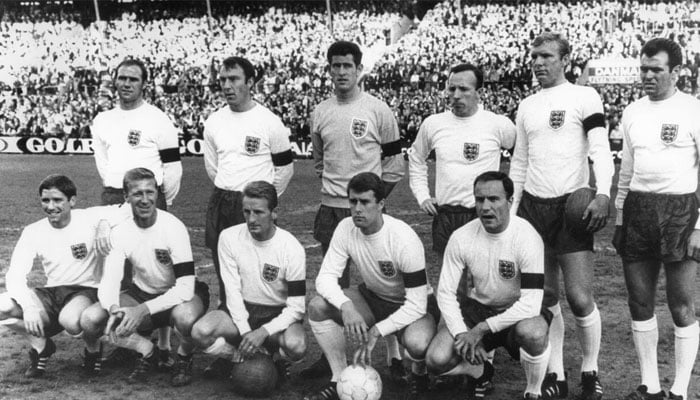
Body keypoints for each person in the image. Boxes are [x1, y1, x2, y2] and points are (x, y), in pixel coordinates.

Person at [510, 32, 614, 400]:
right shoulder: (526, 105)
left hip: (571, 207)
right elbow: (519, 163)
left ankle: (590, 369)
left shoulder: (584, 97)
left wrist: (602, 193)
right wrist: (511, 212)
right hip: (532, 208)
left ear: (565, 60)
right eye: (534, 56)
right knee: (547, 294)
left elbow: (600, 149)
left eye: (546, 56)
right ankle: (557, 374)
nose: (538, 62)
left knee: (580, 296)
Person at [304, 39, 406, 381]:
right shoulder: (320, 111)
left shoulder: (378, 110)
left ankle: (393, 350)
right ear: (329, 70)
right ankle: (331, 355)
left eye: (348, 65)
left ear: (359, 69)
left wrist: (373, 198)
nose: (342, 71)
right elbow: (319, 160)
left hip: (369, 213)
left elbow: (394, 163)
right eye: (336, 66)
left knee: (382, 282)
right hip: (331, 209)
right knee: (334, 285)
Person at [614, 37, 700, 400]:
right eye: (643, 69)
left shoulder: (693, 109)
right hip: (638, 209)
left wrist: (699, 227)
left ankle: (679, 390)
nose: (648, 76)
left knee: (681, 304)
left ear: (676, 72)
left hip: (681, 212)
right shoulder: (633, 111)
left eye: (656, 70)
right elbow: (627, 169)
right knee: (639, 302)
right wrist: (620, 216)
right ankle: (649, 385)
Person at [304, 172, 437, 400]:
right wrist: (346, 306)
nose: (357, 208)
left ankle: (419, 373)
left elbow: (416, 304)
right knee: (317, 306)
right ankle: (338, 378)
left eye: (364, 202)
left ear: (381, 204)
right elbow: (325, 278)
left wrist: (377, 330)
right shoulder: (346, 227)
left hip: (413, 306)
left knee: (417, 343)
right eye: (353, 201)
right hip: (373, 297)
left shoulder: (404, 239)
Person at [79, 168, 209, 387]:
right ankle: (144, 348)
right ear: (126, 196)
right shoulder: (121, 232)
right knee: (90, 319)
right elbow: (110, 280)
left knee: (186, 318)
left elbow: (185, 287)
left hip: (180, 295)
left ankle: (184, 357)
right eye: (138, 193)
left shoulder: (173, 227)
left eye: (150, 192)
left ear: (157, 194)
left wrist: (141, 311)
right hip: (142, 293)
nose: (145, 199)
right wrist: (113, 308)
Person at [426, 171, 550, 400]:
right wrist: (462, 333)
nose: (485, 207)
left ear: (510, 201)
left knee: (533, 333)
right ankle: (479, 370)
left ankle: (533, 390)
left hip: (517, 313)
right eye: (479, 199)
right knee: (436, 360)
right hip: (479, 309)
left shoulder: (527, 237)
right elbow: (445, 293)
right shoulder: (461, 236)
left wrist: (481, 329)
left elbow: (531, 304)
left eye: (494, 199)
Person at [91, 58, 181, 365]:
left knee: (158, 270)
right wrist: (116, 191)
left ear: (144, 84)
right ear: (114, 81)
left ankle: (165, 344)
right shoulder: (102, 120)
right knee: (117, 268)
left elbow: (172, 168)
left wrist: (159, 200)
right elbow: (102, 162)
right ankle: (125, 336)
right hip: (114, 195)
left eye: (133, 79)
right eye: (121, 78)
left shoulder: (158, 119)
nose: (126, 83)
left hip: (148, 196)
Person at [0, 175, 126, 377]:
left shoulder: (88, 218)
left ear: (72, 201)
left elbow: (127, 209)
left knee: (71, 322)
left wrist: (104, 223)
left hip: (85, 290)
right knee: (2, 306)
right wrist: (29, 307)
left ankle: (92, 350)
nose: (51, 206)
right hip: (52, 293)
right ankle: (42, 346)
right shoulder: (33, 231)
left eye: (57, 200)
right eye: (45, 200)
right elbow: (15, 275)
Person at [203, 56, 294, 312]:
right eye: (222, 80)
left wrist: (263, 200)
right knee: (224, 267)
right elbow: (212, 167)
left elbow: (285, 169)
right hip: (222, 200)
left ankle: (265, 323)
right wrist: (229, 188)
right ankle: (227, 319)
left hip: (254, 204)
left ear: (250, 82)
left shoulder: (270, 122)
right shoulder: (213, 122)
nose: (227, 86)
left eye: (234, 79)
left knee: (257, 268)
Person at [191, 181, 306, 381]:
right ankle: (235, 358)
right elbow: (232, 292)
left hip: (276, 314)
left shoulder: (292, 248)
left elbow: (296, 307)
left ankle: (276, 360)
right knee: (200, 332)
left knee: (297, 345)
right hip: (239, 312)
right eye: (247, 212)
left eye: (259, 212)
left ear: (274, 212)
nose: (251, 219)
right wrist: (246, 332)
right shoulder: (228, 237)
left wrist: (263, 332)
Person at [409, 62, 516, 256]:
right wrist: (422, 196)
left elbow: (522, 158)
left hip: (483, 214)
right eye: (452, 88)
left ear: (479, 92)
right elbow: (416, 158)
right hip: (446, 216)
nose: (456, 95)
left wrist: (511, 200)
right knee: (449, 281)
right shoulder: (433, 124)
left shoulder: (498, 124)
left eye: (464, 89)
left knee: (484, 280)